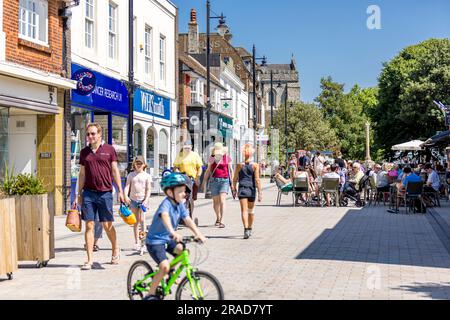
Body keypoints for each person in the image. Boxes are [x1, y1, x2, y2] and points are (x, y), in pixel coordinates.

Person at [144, 173, 206, 300]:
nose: (184, 194)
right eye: (181, 191)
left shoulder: (180, 205)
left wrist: (198, 233)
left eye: (185, 191)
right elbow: (165, 216)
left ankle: (169, 274)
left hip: (168, 239)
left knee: (183, 250)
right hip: (155, 241)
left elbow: (187, 219)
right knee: (164, 266)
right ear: (170, 193)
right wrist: (173, 232)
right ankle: (150, 294)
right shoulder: (166, 204)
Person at [72, 123, 124, 270]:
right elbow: (81, 174)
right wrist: (77, 194)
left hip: (105, 192)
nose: (90, 136)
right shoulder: (84, 152)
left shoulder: (109, 150)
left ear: (100, 134)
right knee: (89, 225)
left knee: (107, 225)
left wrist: (121, 191)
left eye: (93, 134)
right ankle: (89, 259)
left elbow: (115, 171)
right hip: (88, 193)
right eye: (88, 134)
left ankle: (115, 248)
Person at [232, 144, 262, 240]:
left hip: (242, 189)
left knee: (244, 210)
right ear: (251, 154)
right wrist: (260, 192)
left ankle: (245, 229)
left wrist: (234, 188)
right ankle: (249, 228)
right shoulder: (255, 165)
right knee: (251, 211)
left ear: (243, 153)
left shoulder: (239, 165)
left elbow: (235, 179)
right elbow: (257, 179)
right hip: (251, 189)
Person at [201, 143, 233, 228]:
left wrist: (232, 182)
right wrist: (204, 182)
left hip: (224, 181)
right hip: (214, 181)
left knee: (222, 200)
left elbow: (231, 170)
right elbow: (208, 170)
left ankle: (222, 220)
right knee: (216, 202)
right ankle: (218, 217)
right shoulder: (212, 158)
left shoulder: (227, 157)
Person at [124, 156, 152, 253]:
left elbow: (148, 189)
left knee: (142, 220)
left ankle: (143, 243)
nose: (138, 165)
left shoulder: (147, 176)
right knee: (135, 221)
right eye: (137, 163)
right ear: (134, 164)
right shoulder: (131, 175)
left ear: (144, 165)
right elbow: (127, 187)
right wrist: (125, 196)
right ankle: (136, 242)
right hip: (133, 200)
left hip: (143, 200)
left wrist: (146, 199)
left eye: (140, 163)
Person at [173, 140, 203, 210]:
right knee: (182, 197)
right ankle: (182, 213)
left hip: (192, 179)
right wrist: (178, 173)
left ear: (191, 147)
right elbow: (175, 168)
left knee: (190, 198)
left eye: (188, 148)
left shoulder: (195, 155)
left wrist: (198, 177)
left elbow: (200, 168)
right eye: (185, 148)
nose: (186, 149)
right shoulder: (180, 155)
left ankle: (190, 215)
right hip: (182, 178)